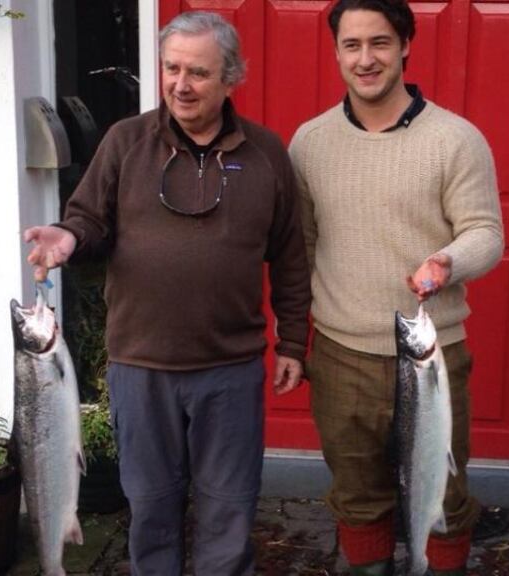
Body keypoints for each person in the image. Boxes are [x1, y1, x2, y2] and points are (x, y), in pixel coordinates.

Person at [24, 12, 311, 576]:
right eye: (171, 68)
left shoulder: (266, 155)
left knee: (228, 508)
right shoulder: (125, 142)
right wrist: (67, 235)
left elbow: (292, 257)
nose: (181, 83)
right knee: (151, 505)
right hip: (141, 365)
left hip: (229, 368)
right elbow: (88, 221)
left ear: (231, 78)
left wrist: (294, 342)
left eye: (198, 72)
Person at [288, 1, 504, 573]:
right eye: (352, 45)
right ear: (335, 52)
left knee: (446, 496)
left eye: (380, 43)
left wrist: (446, 261)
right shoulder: (308, 144)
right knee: (358, 496)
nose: (366, 59)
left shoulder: (456, 139)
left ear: (406, 44)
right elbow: (300, 247)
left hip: (433, 355)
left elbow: (485, 233)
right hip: (341, 355)